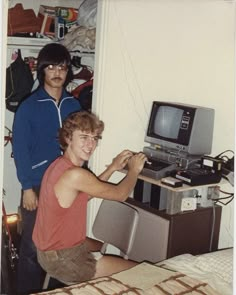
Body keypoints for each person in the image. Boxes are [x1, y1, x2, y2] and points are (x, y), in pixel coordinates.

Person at [32, 111, 147, 284]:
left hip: (47, 254)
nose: (91, 144)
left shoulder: (58, 165)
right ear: (69, 138)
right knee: (142, 273)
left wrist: (113, 168)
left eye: (95, 138)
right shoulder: (75, 175)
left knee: (102, 247)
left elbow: (85, 194)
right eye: (84, 137)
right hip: (65, 260)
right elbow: (121, 194)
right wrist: (134, 171)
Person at [12, 43, 82, 294]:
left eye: (62, 67)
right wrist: (27, 188)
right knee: (32, 247)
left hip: (69, 186)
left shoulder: (74, 106)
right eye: (51, 66)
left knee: (63, 245)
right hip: (39, 185)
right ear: (42, 70)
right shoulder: (29, 107)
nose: (56, 72)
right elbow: (20, 150)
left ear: (67, 71)